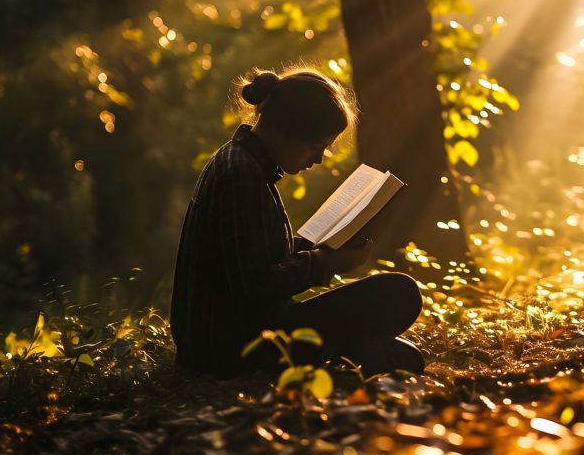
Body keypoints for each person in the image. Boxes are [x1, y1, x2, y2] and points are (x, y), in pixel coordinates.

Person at [170, 67, 425, 378]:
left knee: (394, 293)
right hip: (233, 349)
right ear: (285, 129)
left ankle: (353, 350)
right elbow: (254, 284)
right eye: (314, 146)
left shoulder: (241, 163)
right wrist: (323, 263)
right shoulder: (242, 175)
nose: (317, 159)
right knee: (399, 293)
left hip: (228, 337)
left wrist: (317, 246)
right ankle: (353, 350)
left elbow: (250, 257)